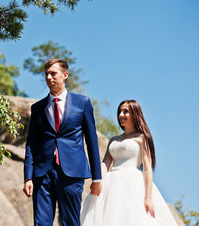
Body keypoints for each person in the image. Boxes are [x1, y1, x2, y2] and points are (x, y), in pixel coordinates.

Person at [23, 59, 102, 226]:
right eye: (46, 74)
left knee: (71, 222)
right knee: (41, 223)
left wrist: (97, 178)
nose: (49, 78)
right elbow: (31, 144)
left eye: (53, 73)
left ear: (65, 75)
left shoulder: (83, 103)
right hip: (43, 173)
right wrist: (28, 177)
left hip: (72, 172)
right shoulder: (38, 108)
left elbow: (92, 142)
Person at [80, 99, 178, 226]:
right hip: (110, 184)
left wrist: (148, 197)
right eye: (120, 112)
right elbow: (105, 164)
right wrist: (97, 181)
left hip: (132, 183)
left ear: (135, 114)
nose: (121, 115)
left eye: (125, 112)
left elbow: (147, 169)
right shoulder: (113, 140)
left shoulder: (142, 137)